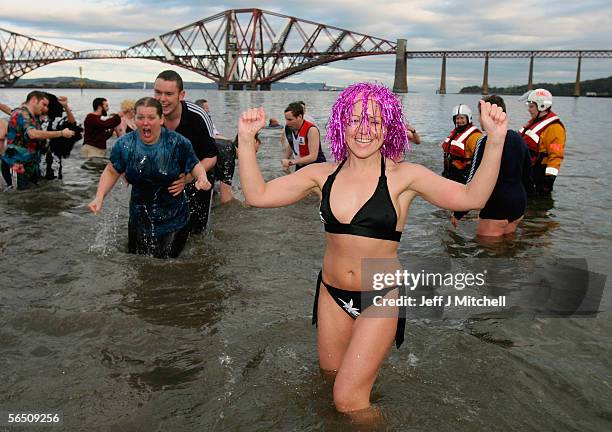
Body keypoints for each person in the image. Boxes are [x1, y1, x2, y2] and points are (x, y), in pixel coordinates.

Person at [237, 82, 507, 416]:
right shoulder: (321, 175)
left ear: (389, 127)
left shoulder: (404, 177)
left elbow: (472, 198)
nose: (364, 130)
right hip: (331, 293)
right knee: (329, 380)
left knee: (348, 400)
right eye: (355, 120)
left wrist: (495, 141)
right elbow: (258, 195)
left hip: (381, 292)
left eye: (375, 122)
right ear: (340, 123)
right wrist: (247, 140)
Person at [88, 97, 211, 259]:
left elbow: (194, 164)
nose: (145, 123)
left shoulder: (177, 143)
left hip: (174, 220)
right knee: (136, 264)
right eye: (140, 117)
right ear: (134, 118)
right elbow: (111, 171)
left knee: (169, 268)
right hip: (139, 219)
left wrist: (201, 178)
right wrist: (99, 196)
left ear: (161, 119)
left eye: (151, 118)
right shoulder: (124, 145)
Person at [451, 95, 532, 236]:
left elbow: (472, 180)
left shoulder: (484, 142)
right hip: (519, 202)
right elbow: (527, 174)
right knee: (509, 244)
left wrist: (458, 213)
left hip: (496, 204)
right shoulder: (519, 138)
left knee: (487, 250)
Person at [153, 70, 218, 233]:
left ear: (181, 95)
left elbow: (211, 157)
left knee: (196, 231)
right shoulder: (150, 115)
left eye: (168, 94)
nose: (162, 99)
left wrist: (187, 179)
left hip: (199, 175)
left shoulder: (197, 116)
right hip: (169, 175)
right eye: (158, 92)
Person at [1, 91, 75, 188]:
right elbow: (32, 134)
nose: (45, 108)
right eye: (43, 104)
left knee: (28, 192)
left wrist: (65, 107)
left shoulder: (32, 116)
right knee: (18, 194)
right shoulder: (23, 114)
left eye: (47, 106)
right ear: (34, 100)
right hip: (17, 162)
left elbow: (72, 123)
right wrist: (61, 133)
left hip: (33, 160)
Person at [518, 88, 566, 196]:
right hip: (526, 174)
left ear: (541, 106)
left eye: (531, 106)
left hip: (539, 178)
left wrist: (549, 179)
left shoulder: (554, 129)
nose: (528, 109)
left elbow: (556, 155)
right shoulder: (533, 123)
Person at [194, 98, 235, 203]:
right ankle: (225, 197)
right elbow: (211, 136)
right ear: (200, 109)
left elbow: (215, 134)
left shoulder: (208, 119)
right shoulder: (198, 119)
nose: (208, 110)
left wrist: (228, 140)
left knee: (228, 146)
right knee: (227, 148)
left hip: (209, 153)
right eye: (206, 108)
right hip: (205, 154)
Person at [441, 104, 483, 183]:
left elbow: (480, 158)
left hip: (463, 176)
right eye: (457, 118)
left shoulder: (475, 136)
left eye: (462, 118)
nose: (459, 121)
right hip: (450, 173)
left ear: (468, 118)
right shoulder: (456, 133)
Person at [281, 102, 326, 172]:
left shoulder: (311, 130)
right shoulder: (288, 128)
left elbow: (313, 157)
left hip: (316, 166)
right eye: (286, 119)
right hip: (299, 164)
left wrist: (291, 162)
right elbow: (291, 144)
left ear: (299, 117)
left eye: (290, 120)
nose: (287, 122)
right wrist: (286, 161)